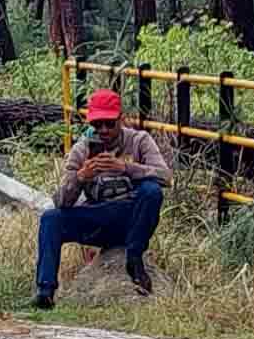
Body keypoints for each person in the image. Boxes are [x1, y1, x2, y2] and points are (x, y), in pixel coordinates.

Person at [33, 86, 169, 310]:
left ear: (121, 119)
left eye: (109, 123)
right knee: (51, 218)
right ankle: (45, 291)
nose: (103, 130)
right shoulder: (83, 149)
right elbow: (61, 201)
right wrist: (80, 177)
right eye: (97, 124)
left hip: (131, 217)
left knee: (152, 191)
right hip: (98, 216)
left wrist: (126, 167)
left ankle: (134, 259)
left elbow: (165, 177)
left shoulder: (139, 141)